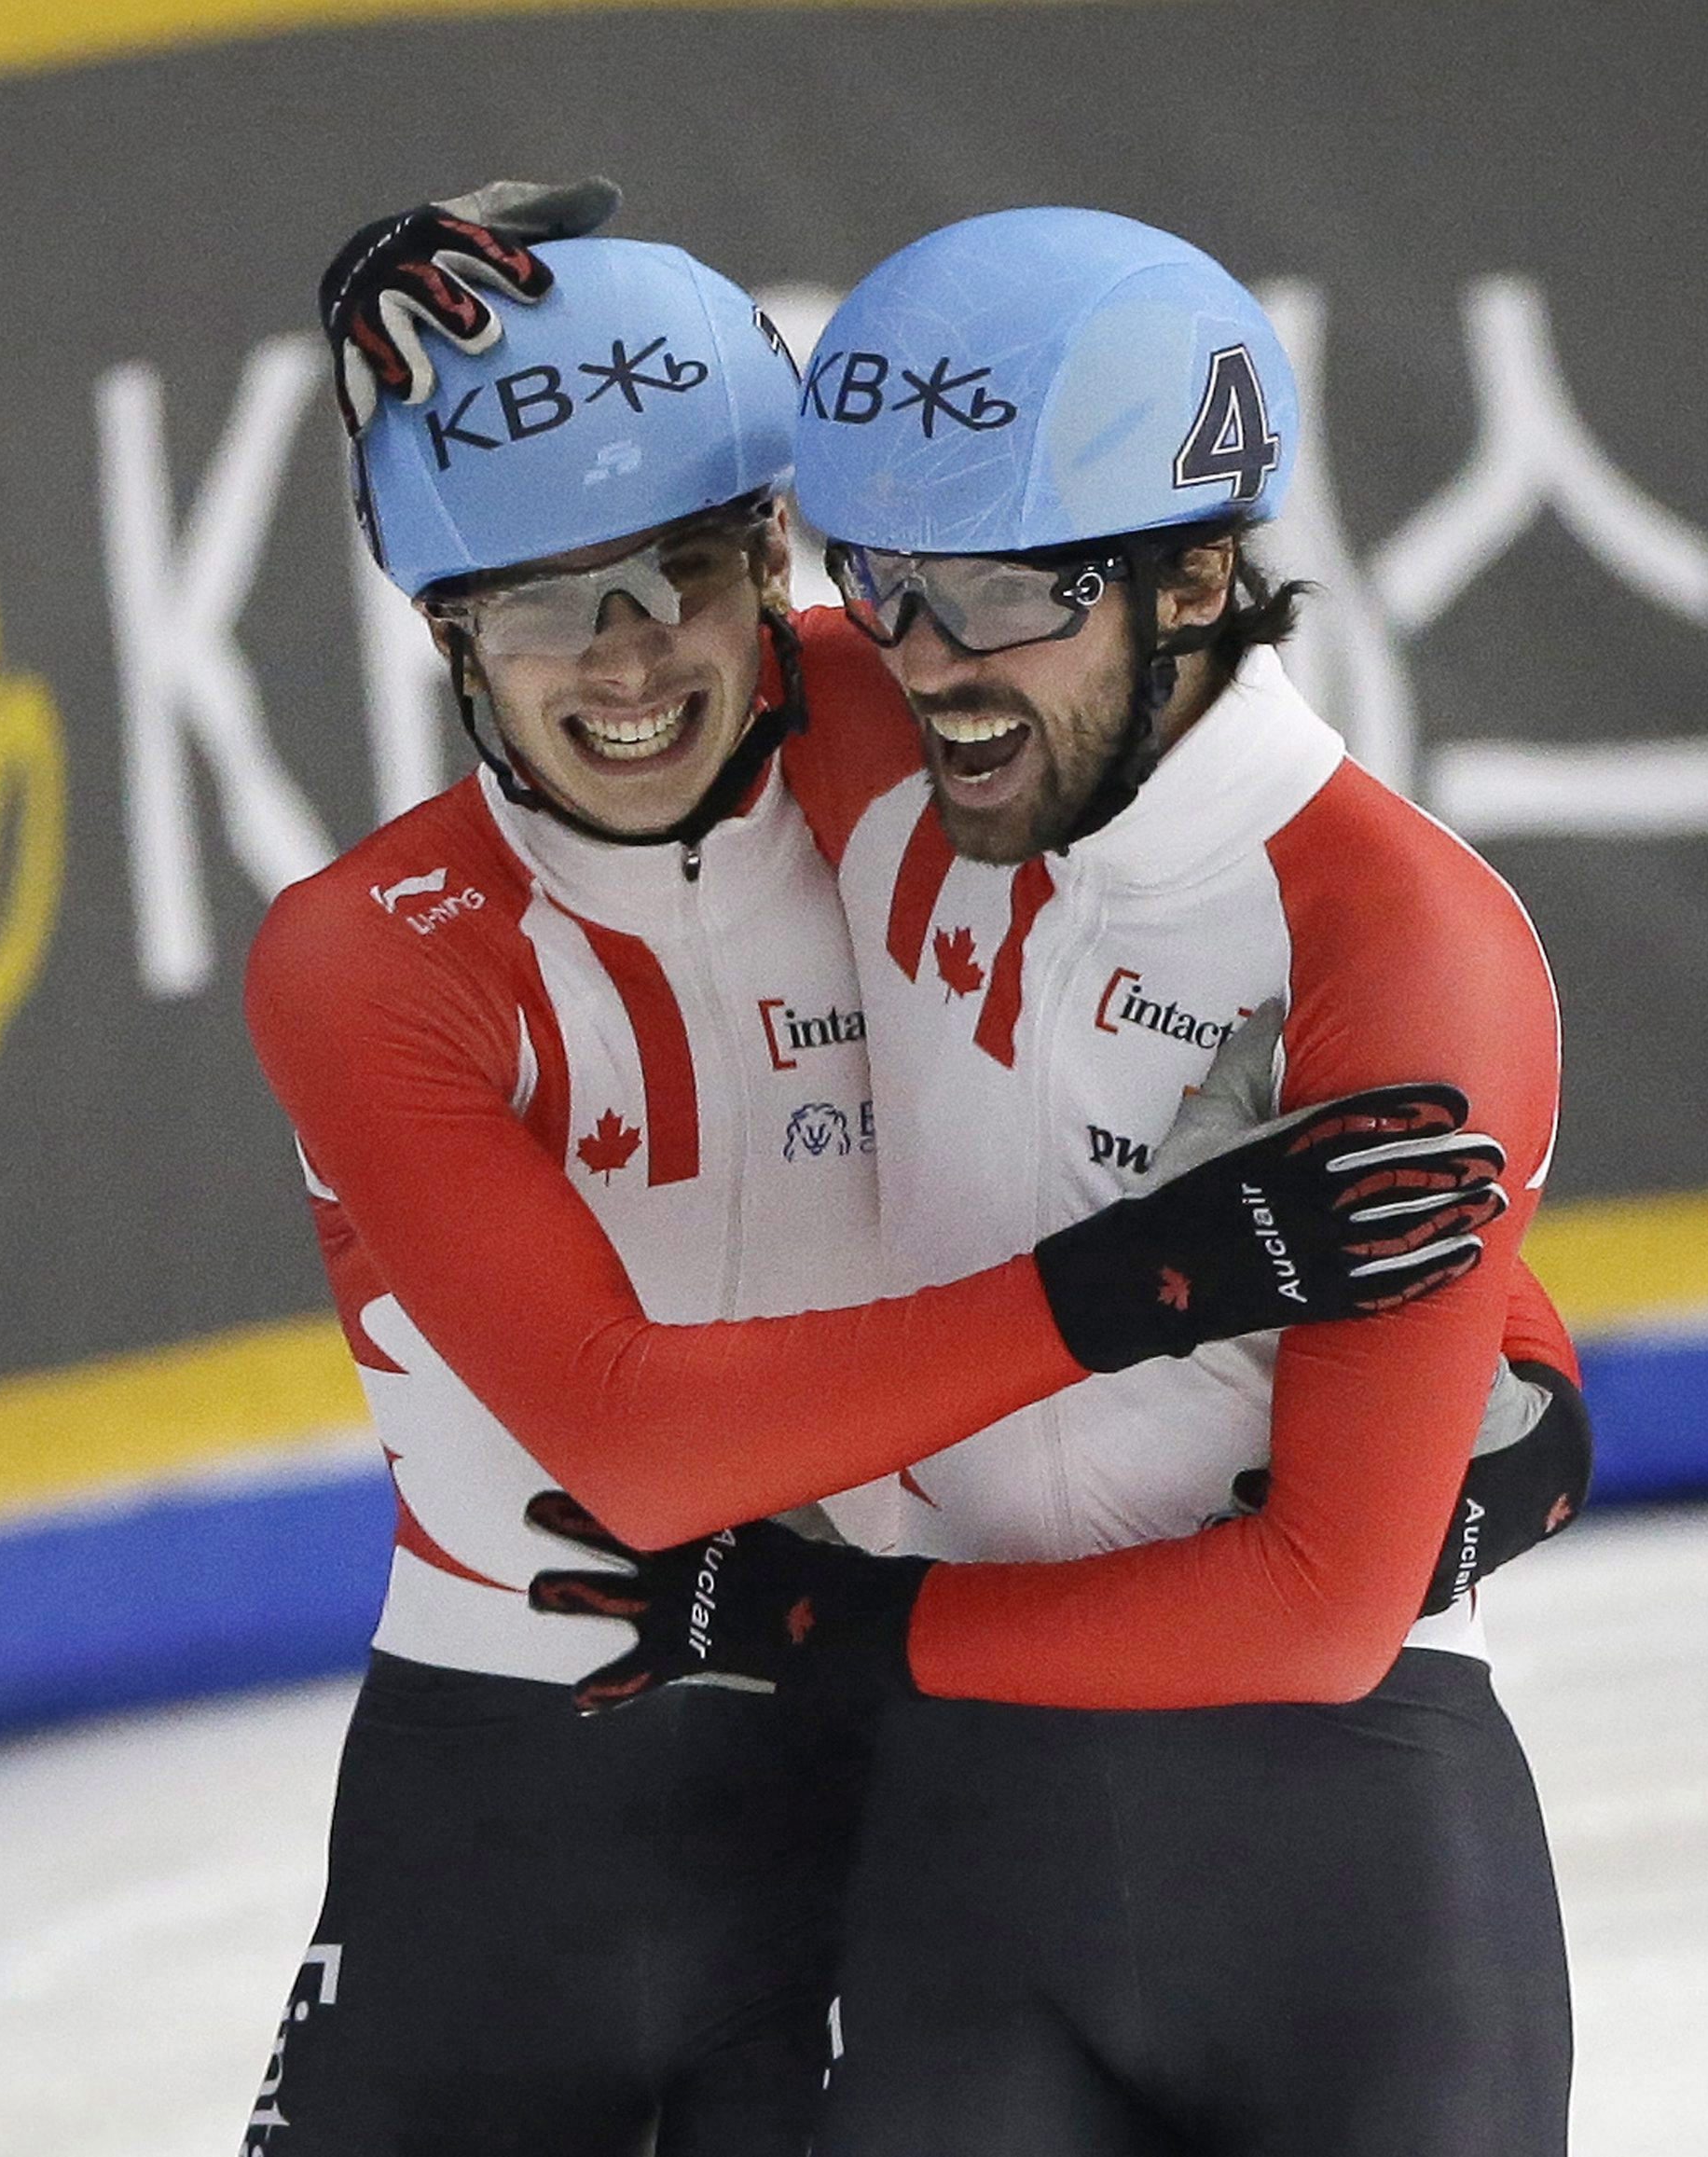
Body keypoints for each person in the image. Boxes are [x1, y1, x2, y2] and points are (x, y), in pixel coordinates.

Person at [243, 197, 1586, 2157]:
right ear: (440, 622)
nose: (622, 663)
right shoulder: (384, 943)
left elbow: (1325, 1077)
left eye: (682, 574)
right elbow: (641, 1443)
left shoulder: (905, 725)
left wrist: (1511, 1370)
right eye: (534, 600)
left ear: (766, 557)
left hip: (887, 1764)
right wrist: (1152, 1281)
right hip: (559, 1790)